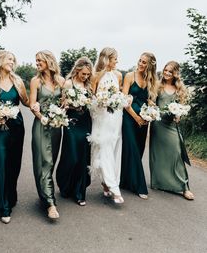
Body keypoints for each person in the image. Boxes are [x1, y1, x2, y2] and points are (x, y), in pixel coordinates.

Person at [0, 50, 29, 224]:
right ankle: (4, 206)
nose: (12, 62)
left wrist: (33, 100)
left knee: (14, 166)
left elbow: (27, 102)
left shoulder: (18, 81)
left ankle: (10, 194)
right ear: (0, 61)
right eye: (10, 59)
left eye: (13, 60)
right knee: (1, 167)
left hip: (17, 128)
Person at [149, 61, 194, 200]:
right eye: (165, 70)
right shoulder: (158, 85)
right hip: (158, 124)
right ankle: (160, 182)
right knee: (158, 154)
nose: (167, 73)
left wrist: (179, 114)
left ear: (175, 73)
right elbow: (151, 101)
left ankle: (184, 187)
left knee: (176, 153)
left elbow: (181, 105)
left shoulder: (179, 88)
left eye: (170, 71)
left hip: (171, 125)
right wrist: (151, 105)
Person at [29, 50, 65, 220]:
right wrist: (41, 116)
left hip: (57, 127)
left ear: (49, 61)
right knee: (44, 161)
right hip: (41, 125)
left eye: (39, 60)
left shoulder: (61, 81)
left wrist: (61, 114)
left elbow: (64, 104)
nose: (37, 63)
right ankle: (50, 204)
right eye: (36, 61)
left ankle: (44, 195)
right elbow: (32, 104)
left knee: (51, 163)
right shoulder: (35, 81)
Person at [56, 57, 93, 206]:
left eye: (87, 75)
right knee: (72, 156)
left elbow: (92, 103)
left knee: (83, 157)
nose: (85, 77)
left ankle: (79, 192)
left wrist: (88, 103)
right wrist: (72, 105)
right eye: (83, 74)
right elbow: (62, 103)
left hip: (85, 122)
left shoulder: (88, 86)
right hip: (72, 122)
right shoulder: (68, 83)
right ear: (77, 70)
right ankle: (65, 184)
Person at [89, 47, 124, 204]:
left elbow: (119, 95)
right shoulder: (95, 76)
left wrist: (120, 100)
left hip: (116, 117)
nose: (117, 61)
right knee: (104, 149)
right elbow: (92, 99)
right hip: (102, 118)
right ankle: (114, 187)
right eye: (115, 58)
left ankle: (106, 183)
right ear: (107, 59)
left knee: (114, 149)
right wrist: (101, 101)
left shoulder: (118, 75)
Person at [120, 52, 157, 199]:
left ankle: (126, 181)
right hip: (130, 118)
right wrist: (136, 118)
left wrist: (151, 110)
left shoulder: (151, 80)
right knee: (133, 149)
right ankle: (139, 186)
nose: (140, 64)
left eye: (144, 63)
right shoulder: (129, 76)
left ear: (150, 65)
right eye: (140, 61)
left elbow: (149, 99)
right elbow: (124, 100)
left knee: (139, 149)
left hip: (144, 119)